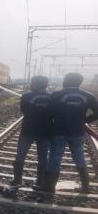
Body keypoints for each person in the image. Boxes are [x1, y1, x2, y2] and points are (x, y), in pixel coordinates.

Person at [43, 72, 98, 200]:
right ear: (79, 82)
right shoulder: (88, 96)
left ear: (66, 81)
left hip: (58, 131)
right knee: (79, 157)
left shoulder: (56, 95)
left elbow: (49, 113)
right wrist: (85, 120)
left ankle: (49, 187)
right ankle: (85, 186)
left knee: (54, 158)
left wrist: (52, 122)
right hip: (77, 132)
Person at [6, 75, 53, 192]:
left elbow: (23, 110)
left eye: (32, 82)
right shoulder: (52, 97)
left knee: (20, 156)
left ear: (35, 84)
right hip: (45, 131)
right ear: (45, 84)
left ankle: (17, 180)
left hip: (28, 130)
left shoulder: (26, 96)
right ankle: (40, 182)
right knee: (43, 158)